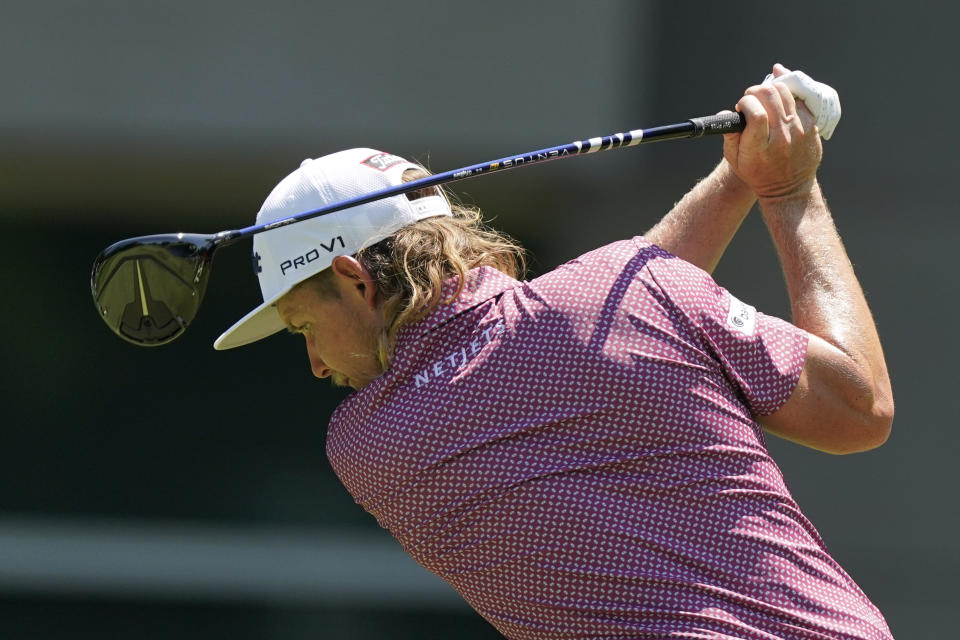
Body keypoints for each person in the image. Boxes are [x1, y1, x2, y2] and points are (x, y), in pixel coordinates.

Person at [215, 64, 895, 639]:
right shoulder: (634, 298)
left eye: (303, 327)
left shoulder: (369, 446)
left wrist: (743, 177)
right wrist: (786, 186)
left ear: (355, 281)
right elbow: (855, 406)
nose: (315, 365)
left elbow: (609, 307)